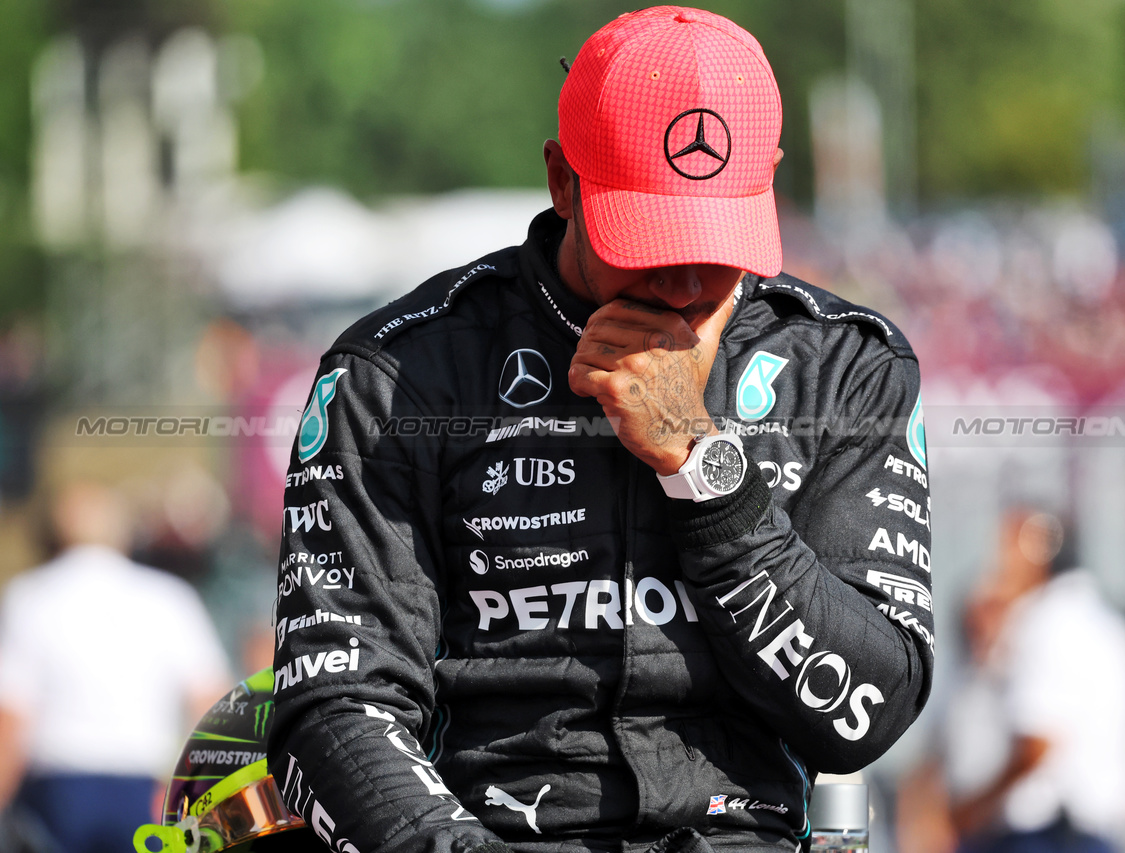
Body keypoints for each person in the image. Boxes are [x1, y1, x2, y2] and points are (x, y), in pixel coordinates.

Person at [269, 7, 934, 852]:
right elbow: (333, 706)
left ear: (767, 181)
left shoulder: (843, 367)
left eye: (717, 238)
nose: (688, 280)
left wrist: (706, 471)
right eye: (652, 238)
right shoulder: (395, 376)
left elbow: (863, 718)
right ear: (561, 180)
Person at [0, 480, 231, 853]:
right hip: (146, 790)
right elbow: (213, 706)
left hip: (57, 792)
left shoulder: (29, 597)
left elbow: (10, 718)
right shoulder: (168, 597)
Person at [943, 511, 1125, 853]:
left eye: (1007, 550)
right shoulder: (1107, 624)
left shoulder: (1049, 622)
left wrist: (971, 809)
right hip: (1092, 834)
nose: (998, 567)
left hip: (1046, 836)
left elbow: (1038, 744)